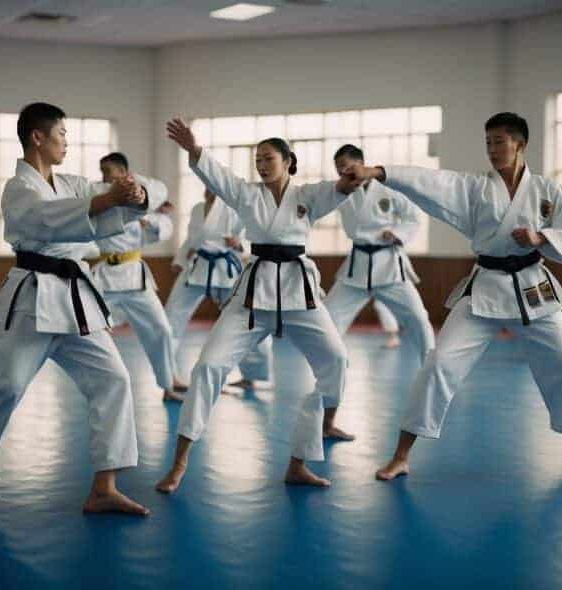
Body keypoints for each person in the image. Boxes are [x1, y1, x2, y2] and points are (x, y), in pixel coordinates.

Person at [343, 112, 562, 481]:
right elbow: (429, 181)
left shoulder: (547, 191)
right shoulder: (475, 188)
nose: (492, 150)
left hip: (532, 287)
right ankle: (402, 453)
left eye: (500, 141)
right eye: (488, 143)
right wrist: (377, 172)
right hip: (485, 286)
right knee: (439, 364)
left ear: (521, 144)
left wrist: (541, 239)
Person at [0, 103, 151, 516]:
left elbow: (103, 210)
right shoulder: (20, 189)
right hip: (33, 300)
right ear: (38, 137)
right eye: (62, 134)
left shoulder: (70, 182)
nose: (66, 142)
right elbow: (47, 219)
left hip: (74, 302)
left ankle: (104, 486)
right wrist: (106, 201)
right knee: (6, 386)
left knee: (114, 379)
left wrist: (131, 200)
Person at [156, 118, 361, 493]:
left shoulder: (307, 196)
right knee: (208, 366)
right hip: (253, 293)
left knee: (336, 360)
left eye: (269, 158)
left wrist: (350, 179)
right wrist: (194, 149)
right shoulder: (246, 194)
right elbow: (219, 177)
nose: (262, 164)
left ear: (288, 161)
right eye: (258, 159)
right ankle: (180, 461)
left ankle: (299, 461)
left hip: (300, 293)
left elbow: (337, 190)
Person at [324, 143, 435, 440]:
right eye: (339, 170)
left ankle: (434, 378)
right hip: (357, 266)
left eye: (348, 167)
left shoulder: (389, 187)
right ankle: (327, 404)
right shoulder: (341, 192)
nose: (344, 173)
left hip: (389, 263)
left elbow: (412, 217)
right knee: (328, 328)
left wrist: (396, 233)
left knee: (418, 319)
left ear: (362, 163)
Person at [89, 152, 183, 402]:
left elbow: (163, 227)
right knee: (87, 330)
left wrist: (147, 218)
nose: (104, 176)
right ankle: (97, 387)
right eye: (102, 170)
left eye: (108, 170)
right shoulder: (100, 195)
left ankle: (168, 385)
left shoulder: (141, 197)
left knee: (161, 329)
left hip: (134, 277)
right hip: (105, 277)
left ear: (123, 171)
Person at [164, 188, 273, 392]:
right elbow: (191, 239)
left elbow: (253, 236)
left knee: (247, 318)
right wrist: (179, 259)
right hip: (197, 267)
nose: (208, 189)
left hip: (226, 270)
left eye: (212, 185)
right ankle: (167, 373)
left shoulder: (235, 208)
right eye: (205, 185)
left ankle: (252, 375)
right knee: (171, 317)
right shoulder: (197, 209)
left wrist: (239, 244)